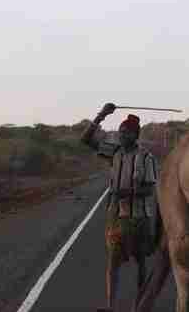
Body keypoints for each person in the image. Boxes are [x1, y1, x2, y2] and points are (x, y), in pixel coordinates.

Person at [81, 103, 157, 312]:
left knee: (140, 263)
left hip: (139, 218)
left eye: (126, 133)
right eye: (121, 132)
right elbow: (85, 140)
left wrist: (128, 193)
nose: (122, 136)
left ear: (135, 135)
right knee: (112, 263)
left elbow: (150, 190)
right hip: (116, 218)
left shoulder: (146, 157)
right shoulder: (114, 152)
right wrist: (101, 115)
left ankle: (138, 306)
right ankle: (110, 306)